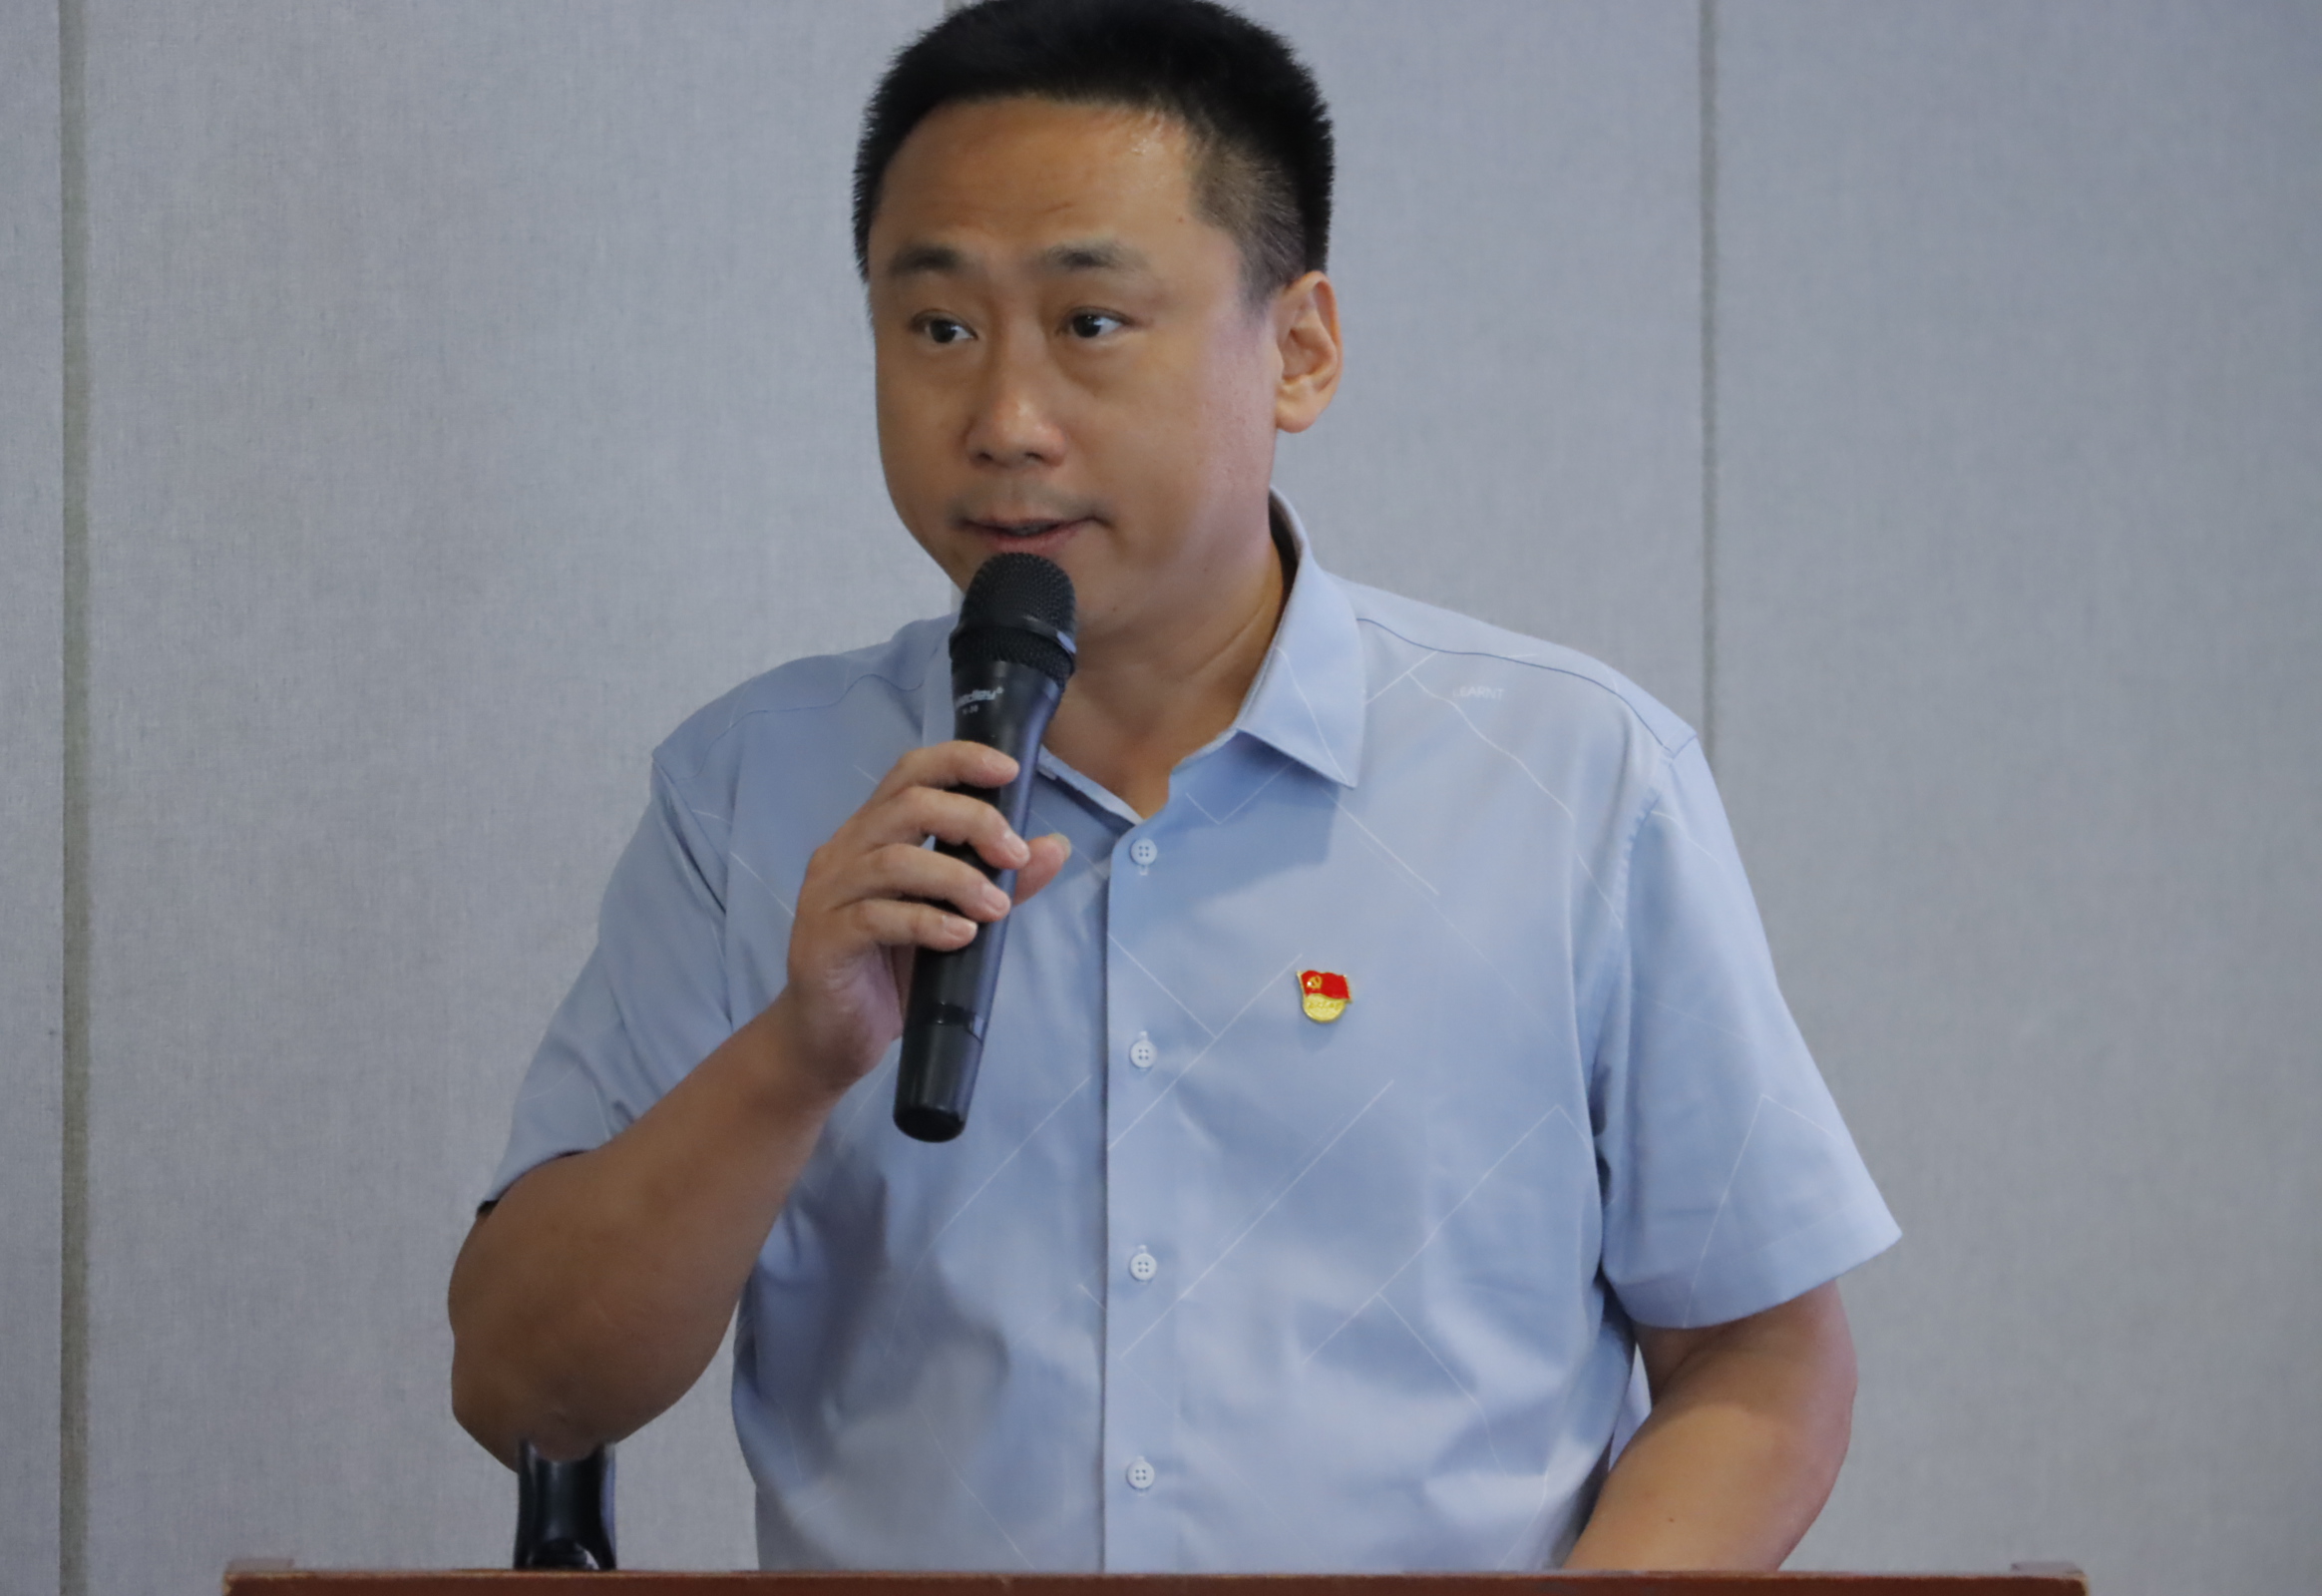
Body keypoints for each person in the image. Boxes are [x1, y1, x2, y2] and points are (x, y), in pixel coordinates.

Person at [448, 0, 1898, 1573]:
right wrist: (796, 1059)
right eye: (938, 329)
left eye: (1091, 324)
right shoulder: (753, 789)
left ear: (1300, 349)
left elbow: (1760, 1364)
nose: (1004, 423)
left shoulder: (1571, 781)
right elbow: (526, 1389)